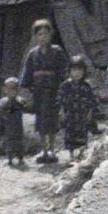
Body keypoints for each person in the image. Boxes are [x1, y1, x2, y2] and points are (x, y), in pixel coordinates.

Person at [19, 19, 70, 165]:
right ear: (35, 37)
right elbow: (27, 74)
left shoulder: (57, 51)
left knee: (52, 120)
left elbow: (64, 71)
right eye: (39, 34)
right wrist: (28, 89)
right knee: (40, 121)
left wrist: (64, 86)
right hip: (39, 92)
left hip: (53, 91)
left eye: (45, 34)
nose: (43, 37)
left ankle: (53, 148)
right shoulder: (32, 54)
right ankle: (44, 149)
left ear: (51, 35)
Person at [59, 55, 100, 161]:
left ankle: (82, 153)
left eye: (80, 70)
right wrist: (62, 112)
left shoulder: (86, 86)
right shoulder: (65, 85)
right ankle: (72, 154)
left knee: (82, 133)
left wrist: (90, 112)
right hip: (70, 114)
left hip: (82, 114)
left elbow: (91, 101)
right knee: (70, 133)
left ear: (84, 72)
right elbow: (60, 100)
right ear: (69, 71)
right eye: (74, 70)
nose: (77, 73)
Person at [0, 77, 27, 167]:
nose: (11, 91)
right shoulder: (3, 101)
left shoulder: (19, 100)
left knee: (19, 141)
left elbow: (25, 106)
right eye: (9, 89)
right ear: (5, 90)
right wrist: (0, 118)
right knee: (9, 142)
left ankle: (20, 158)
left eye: (13, 89)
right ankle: (10, 159)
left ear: (17, 90)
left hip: (17, 125)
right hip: (8, 125)